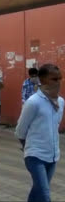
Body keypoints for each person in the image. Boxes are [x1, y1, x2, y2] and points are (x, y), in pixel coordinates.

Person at [16, 64, 64, 202]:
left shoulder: (60, 102)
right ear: (42, 80)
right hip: (35, 156)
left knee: (38, 191)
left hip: (53, 156)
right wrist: (29, 148)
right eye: (54, 79)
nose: (58, 82)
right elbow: (20, 130)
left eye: (59, 79)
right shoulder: (33, 102)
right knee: (45, 195)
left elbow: (54, 127)